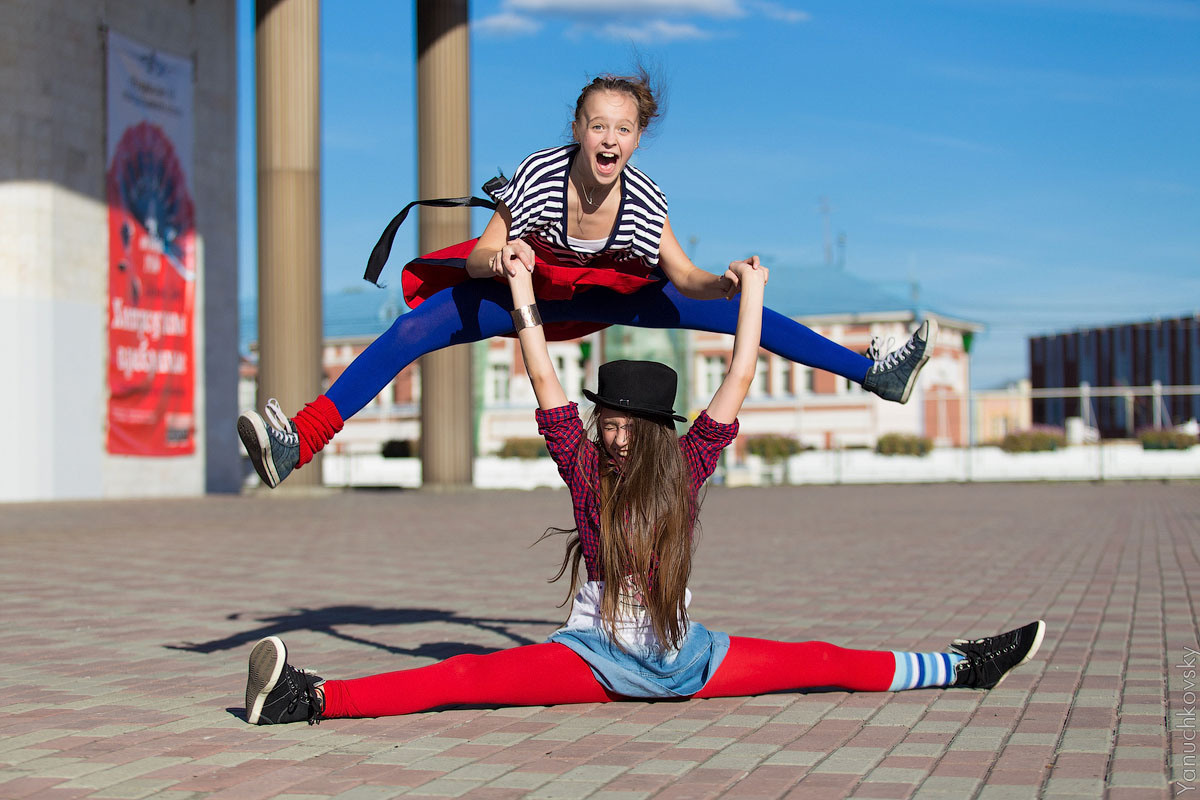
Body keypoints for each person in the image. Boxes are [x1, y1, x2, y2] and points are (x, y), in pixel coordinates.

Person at [242, 258, 1042, 726]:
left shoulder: (688, 466)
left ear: (656, 427)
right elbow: (546, 373)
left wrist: (751, 296)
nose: (613, 433)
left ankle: (962, 665)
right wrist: (523, 299)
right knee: (463, 680)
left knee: (824, 659)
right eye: (607, 420)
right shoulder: (586, 474)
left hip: (687, 659)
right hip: (594, 660)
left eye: (627, 423)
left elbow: (738, 372)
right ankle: (305, 699)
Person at [237, 68, 937, 489]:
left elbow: (685, 277)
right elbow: (482, 256)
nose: (609, 139)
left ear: (635, 139)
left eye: (623, 129)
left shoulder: (647, 200)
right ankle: (300, 439)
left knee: (749, 312)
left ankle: (872, 373)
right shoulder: (540, 175)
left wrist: (723, 286)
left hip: (613, 294)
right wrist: (507, 259)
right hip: (530, 287)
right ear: (578, 127)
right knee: (412, 329)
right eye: (598, 125)